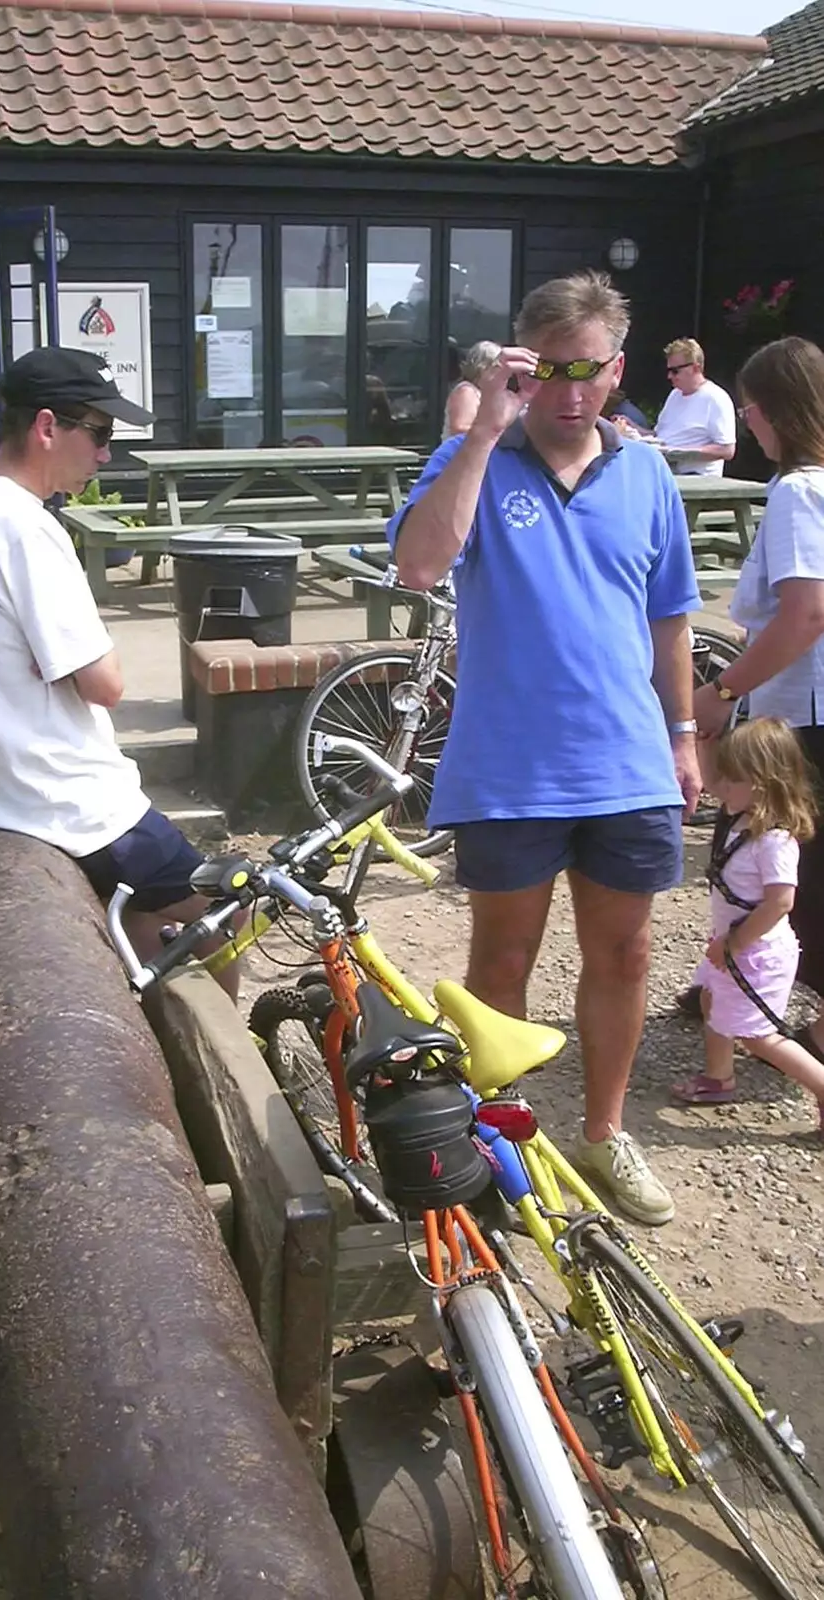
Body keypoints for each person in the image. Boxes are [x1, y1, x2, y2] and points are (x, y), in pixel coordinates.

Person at [389, 270, 701, 1227]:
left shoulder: (646, 472)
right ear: (523, 362)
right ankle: (485, 1142)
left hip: (625, 763)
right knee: (501, 966)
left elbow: (670, 620)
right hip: (508, 769)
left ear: (618, 367)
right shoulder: (471, 456)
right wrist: (483, 430)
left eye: (591, 370)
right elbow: (418, 566)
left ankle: (604, 1134)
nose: (571, 393)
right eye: (552, 369)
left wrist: (683, 735)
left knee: (624, 956)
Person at [0, 345, 239, 997]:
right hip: (64, 798)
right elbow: (105, 683)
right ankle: (222, 1056)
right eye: (97, 433)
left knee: (155, 922)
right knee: (235, 912)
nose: (105, 454)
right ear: (46, 427)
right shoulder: (25, 529)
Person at [684, 337, 824, 1060]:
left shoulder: (800, 490)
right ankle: (726, 979)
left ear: (769, 411)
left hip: (801, 714)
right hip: (807, 706)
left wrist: (721, 689)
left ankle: (737, 981)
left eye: (746, 406)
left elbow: (804, 611)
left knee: (760, 858)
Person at [671, 718, 824, 1132]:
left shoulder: (773, 840)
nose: (718, 787)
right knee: (710, 1002)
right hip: (734, 945)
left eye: (730, 778)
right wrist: (703, 740)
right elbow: (712, 782)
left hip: (755, 953)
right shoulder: (741, 814)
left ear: (762, 783)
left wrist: (734, 944)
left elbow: (780, 902)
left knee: (759, 1036)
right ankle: (720, 1078)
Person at [643, 339, 736, 476]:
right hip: (667, 473)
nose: (669, 376)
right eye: (669, 371)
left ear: (696, 368)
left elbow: (727, 450)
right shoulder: (675, 394)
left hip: (697, 479)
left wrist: (679, 452)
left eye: (675, 371)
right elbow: (659, 436)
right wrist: (630, 428)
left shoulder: (716, 398)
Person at [442, 340, 501, 439]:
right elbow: (460, 428)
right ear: (483, 367)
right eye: (497, 368)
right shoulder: (467, 391)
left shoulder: (485, 393)